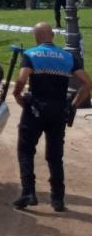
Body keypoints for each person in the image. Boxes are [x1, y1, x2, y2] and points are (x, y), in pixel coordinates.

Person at [12, 23, 92, 211]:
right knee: (55, 155)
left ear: (36, 36)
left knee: (25, 150)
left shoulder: (31, 54)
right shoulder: (68, 56)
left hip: (35, 110)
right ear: (52, 36)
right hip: (58, 110)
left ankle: (28, 192)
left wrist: (17, 96)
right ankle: (58, 199)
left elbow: (22, 79)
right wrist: (73, 106)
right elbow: (87, 83)